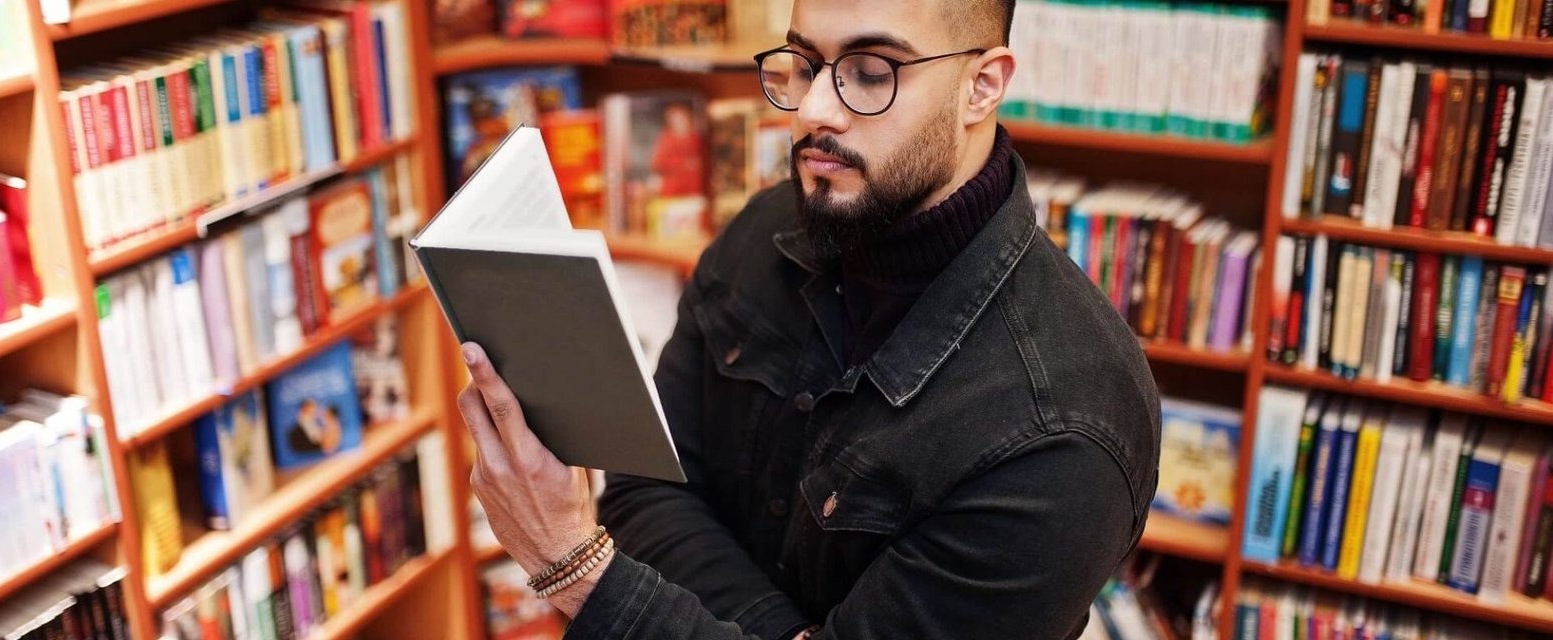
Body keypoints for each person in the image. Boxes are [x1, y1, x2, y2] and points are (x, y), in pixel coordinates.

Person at [455, 1, 1162, 638]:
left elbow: (637, 525)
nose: (814, 110)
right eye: (805, 63)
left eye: (870, 71)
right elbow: (646, 489)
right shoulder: (764, 227)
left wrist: (577, 569)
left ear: (982, 85)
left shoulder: (1066, 429)